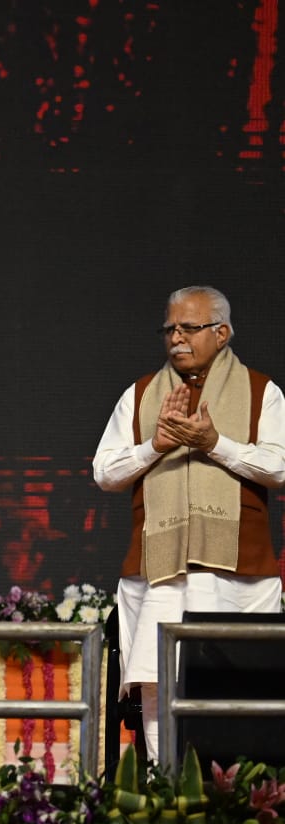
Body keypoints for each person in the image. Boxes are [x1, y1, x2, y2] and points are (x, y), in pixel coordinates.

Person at [93, 286, 285, 758]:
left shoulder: (262, 391)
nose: (176, 337)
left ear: (221, 333)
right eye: (170, 329)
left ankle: (231, 792)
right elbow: (104, 472)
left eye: (189, 328)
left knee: (236, 686)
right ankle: (164, 786)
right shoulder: (140, 394)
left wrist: (214, 444)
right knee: (156, 682)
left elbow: (279, 467)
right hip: (158, 572)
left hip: (237, 572)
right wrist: (155, 447)